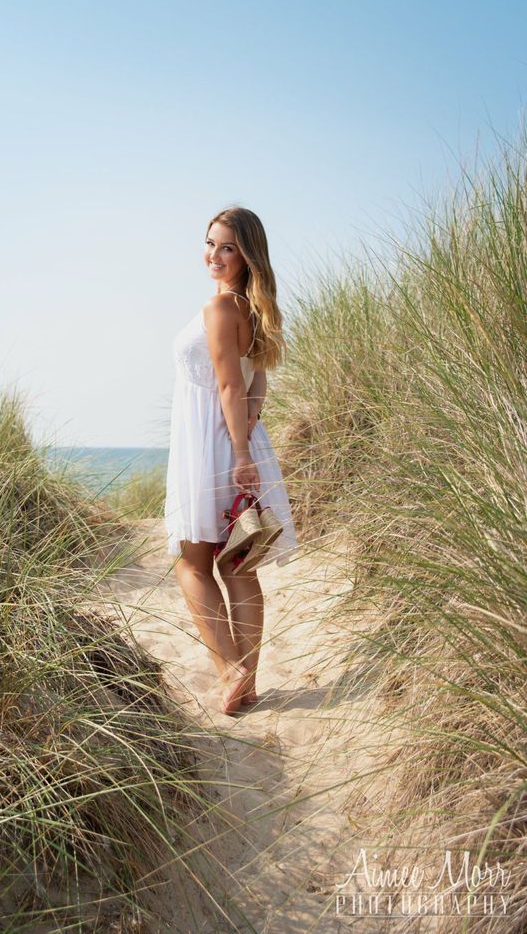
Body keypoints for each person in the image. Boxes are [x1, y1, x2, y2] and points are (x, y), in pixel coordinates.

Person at [164, 206, 299, 715]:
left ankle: (231, 671)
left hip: (213, 443)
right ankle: (249, 681)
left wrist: (239, 453)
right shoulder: (253, 308)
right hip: (237, 437)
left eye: (227, 247)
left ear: (248, 255)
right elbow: (255, 382)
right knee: (240, 568)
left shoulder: (221, 309)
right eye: (210, 243)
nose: (215, 255)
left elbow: (227, 384)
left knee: (192, 563)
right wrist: (248, 438)